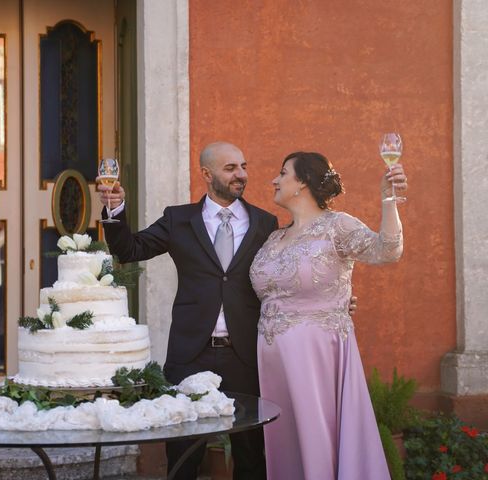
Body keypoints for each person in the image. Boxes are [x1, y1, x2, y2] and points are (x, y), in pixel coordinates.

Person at [97, 141, 276, 479]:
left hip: (246, 355)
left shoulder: (265, 223)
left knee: (251, 453)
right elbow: (129, 249)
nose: (241, 175)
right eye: (231, 168)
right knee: (183, 453)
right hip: (191, 353)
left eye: (243, 166)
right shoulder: (179, 220)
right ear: (206, 174)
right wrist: (115, 210)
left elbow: (282, 278)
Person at [249, 151, 407, 479]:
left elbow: (387, 250)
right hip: (273, 362)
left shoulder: (337, 226)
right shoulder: (274, 236)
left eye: (282, 173)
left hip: (318, 357)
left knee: (317, 436)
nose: (273, 180)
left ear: (303, 182)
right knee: (284, 443)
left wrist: (388, 200)